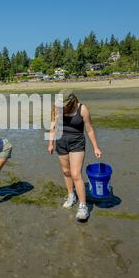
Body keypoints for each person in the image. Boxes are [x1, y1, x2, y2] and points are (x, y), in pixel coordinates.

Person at [48, 90, 102, 222]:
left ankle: (83, 206)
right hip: (61, 143)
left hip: (77, 143)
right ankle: (71, 195)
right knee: (66, 172)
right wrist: (50, 143)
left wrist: (95, 147)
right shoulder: (57, 108)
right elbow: (52, 127)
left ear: (72, 100)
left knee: (76, 174)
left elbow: (89, 129)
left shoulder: (82, 109)